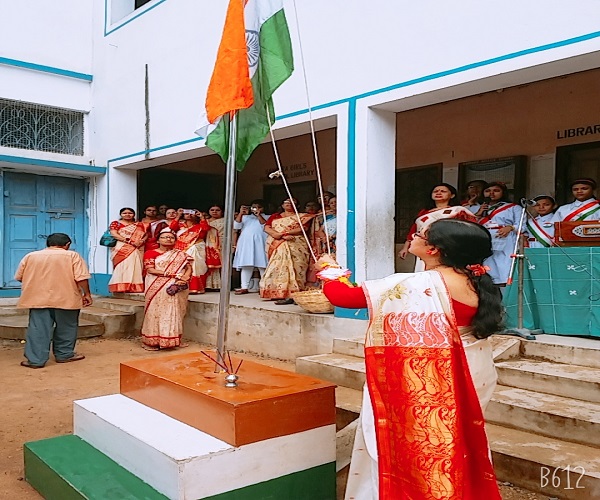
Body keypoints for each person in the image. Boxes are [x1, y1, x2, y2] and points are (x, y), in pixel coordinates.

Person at [320, 219, 502, 499]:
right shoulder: (475, 280)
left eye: (421, 234)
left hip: (436, 378)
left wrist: (329, 269)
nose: (413, 236)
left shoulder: (417, 284)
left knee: (418, 444)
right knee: (455, 440)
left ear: (434, 249)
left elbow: (343, 296)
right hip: (473, 368)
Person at [15, 233, 93, 368]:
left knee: (38, 329)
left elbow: (20, 277)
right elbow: (81, 278)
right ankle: (64, 354)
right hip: (66, 297)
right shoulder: (72, 256)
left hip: (38, 298)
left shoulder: (30, 256)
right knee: (67, 327)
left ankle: (36, 360)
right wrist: (87, 294)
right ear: (67, 245)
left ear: (48, 244)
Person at [398, 183, 476, 267]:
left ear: (452, 195)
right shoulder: (424, 212)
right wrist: (405, 248)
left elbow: (471, 230)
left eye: (443, 191)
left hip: (449, 246)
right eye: (435, 191)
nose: (438, 193)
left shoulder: (459, 211)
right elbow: (413, 232)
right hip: (425, 246)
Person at [140, 229, 193, 350]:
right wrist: (172, 275)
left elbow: (188, 267)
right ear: (158, 240)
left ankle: (174, 340)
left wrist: (185, 278)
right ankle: (151, 341)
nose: (168, 239)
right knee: (155, 311)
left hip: (177, 285)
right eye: (164, 237)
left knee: (176, 312)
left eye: (171, 237)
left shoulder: (181, 254)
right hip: (156, 285)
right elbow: (150, 270)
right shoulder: (150, 253)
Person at [259, 198, 315, 304]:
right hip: (278, 243)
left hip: (296, 244)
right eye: (286, 202)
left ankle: (294, 294)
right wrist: (278, 235)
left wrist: (285, 234)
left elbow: (303, 228)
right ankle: (279, 292)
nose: (289, 204)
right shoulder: (275, 216)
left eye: (292, 202)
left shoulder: (302, 217)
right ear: (282, 205)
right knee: (277, 267)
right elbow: (267, 227)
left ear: (297, 205)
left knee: (296, 268)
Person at [475, 181, 521, 285]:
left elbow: (522, 224)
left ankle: (505, 286)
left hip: (506, 239)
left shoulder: (514, 207)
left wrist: (510, 227)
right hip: (485, 238)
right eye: (488, 191)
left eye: (496, 190)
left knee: (505, 264)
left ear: (503, 192)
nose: (491, 193)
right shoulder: (478, 208)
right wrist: (478, 213)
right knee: (488, 264)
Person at [233, 200, 269, 294]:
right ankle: (244, 287)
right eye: (254, 207)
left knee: (263, 264)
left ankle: (264, 287)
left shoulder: (268, 217)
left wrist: (259, 215)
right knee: (246, 264)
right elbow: (236, 226)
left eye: (259, 207)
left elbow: (265, 226)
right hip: (246, 243)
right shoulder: (245, 217)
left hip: (261, 242)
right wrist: (241, 213)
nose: (256, 209)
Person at [170, 209, 210, 294]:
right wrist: (178, 215)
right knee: (182, 266)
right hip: (180, 248)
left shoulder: (199, 226)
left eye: (191, 213)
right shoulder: (180, 225)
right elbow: (172, 227)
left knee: (196, 267)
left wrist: (202, 217)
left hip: (196, 247)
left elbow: (206, 228)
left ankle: (195, 287)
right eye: (186, 213)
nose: (189, 215)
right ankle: (180, 286)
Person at [108, 207, 147, 293]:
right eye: (125, 213)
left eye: (130, 213)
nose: (127, 215)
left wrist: (141, 241)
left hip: (136, 247)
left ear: (134, 214)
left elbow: (146, 235)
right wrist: (128, 241)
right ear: (121, 215)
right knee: (122, 266)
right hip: (121, 246)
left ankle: (134, 287)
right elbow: (114, 234)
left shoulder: (140, 225)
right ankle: (121, 287)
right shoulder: (116, 223)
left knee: (135, 265)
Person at [307, 196, 337, 285]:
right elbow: (320, 230)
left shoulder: (344, 216)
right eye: (331, 203)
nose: (334, 204)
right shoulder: (327, 217)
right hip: (327, 243)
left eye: (335, 202)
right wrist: (325, 238)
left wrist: (332, 237)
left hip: (336, 242)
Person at [205, 204, 225, 290]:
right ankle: (209, 285)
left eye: (217, 210)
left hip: (223, 243)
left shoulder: (226, 221)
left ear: (222, 212)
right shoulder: (205, 221)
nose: (214, 212)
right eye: (212, 210)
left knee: (223, 264)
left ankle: (222, 285)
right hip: (208, 244)